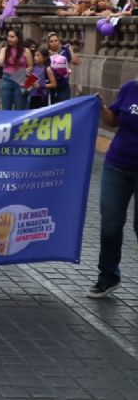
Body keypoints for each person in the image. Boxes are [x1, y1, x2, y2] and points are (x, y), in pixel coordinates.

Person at [90, 76, 138, 298]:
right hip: (117, 165)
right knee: (110, 226)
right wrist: (101, 108)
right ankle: (108, 277)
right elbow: (113, 120)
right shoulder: (130, 88)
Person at [0, 29, 33, 111]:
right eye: (8, 36)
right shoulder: (4, 50)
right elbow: (0, 59)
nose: (9, 39)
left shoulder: (26, 51)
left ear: (18, 38)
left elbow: (30, 67)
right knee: (6, 108)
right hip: (6, 79)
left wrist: (22, 73)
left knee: (19, 108)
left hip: (20, 80)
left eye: (12, 37)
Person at [45, 32, 79, 103]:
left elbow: (76, 62)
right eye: (51, 41)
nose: (54, 43)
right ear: (48, 43)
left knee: (63, 106)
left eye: (56, 41)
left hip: (63, 86)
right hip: (50, 86)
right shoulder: (45, 53)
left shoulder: (65, 51)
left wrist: (70, 50)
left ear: (59, 41)